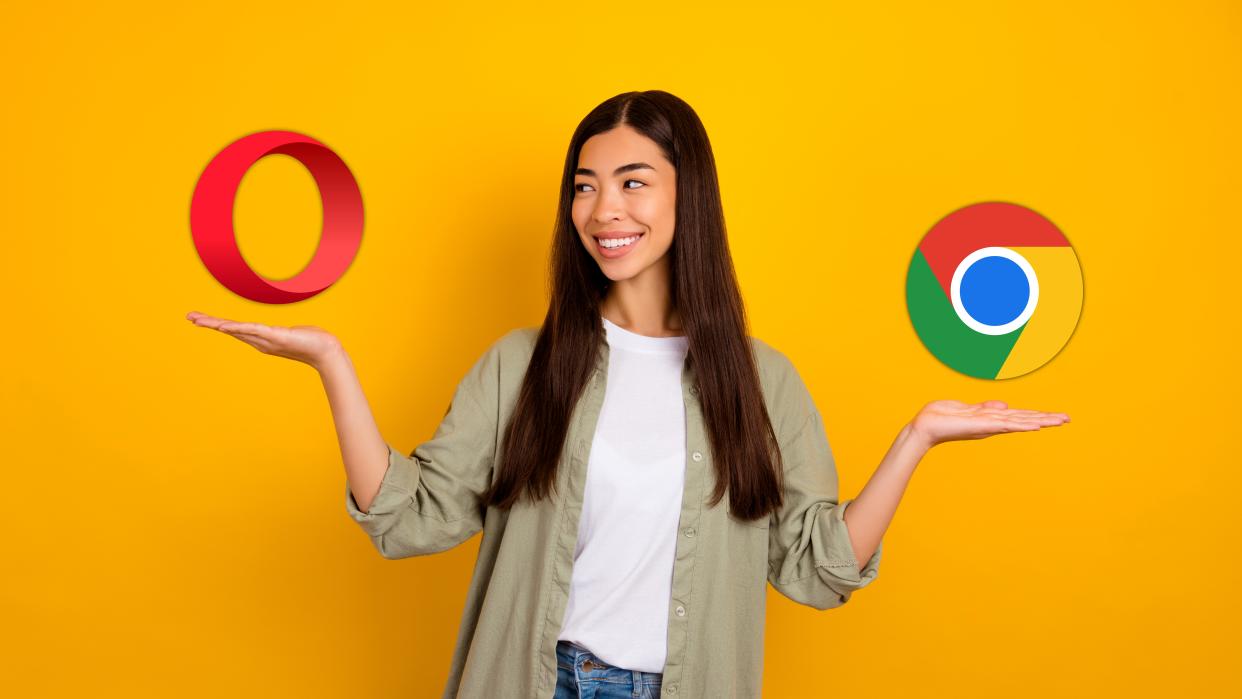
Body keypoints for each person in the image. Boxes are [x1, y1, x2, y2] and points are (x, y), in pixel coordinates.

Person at [187, 90, 1070, 698]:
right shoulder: (522, 365)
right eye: (584, 185)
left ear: (693, 196)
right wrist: (332, 364)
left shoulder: (765, 385)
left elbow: (816, 568)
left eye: (632, 181)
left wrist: (914, 438)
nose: (602, 207)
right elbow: (410, 517)